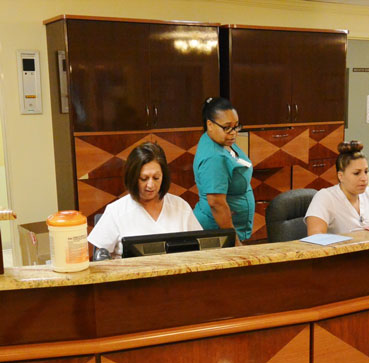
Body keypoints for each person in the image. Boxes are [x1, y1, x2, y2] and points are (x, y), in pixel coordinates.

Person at [88, 142, 202, 257]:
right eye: (144, 178)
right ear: (132, 177)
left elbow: (201, 248)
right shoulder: (116, 211)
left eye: (156, 178)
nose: (151, 185)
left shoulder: (180, 206)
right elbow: (100, 258)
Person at [193, 97, 255, 245]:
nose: (233, 133)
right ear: (210, 124)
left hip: (227, 229)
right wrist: (234, 241)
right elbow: (216, 203)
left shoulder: (219, 140)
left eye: (236, 126)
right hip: (217, 232)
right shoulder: (214, 158)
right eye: (227, 127)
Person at [305, 140, 369, 235]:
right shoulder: (325, 197)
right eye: (356, 173)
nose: (364, 178)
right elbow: (315, 238)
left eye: (366, 172)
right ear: (341, 176)